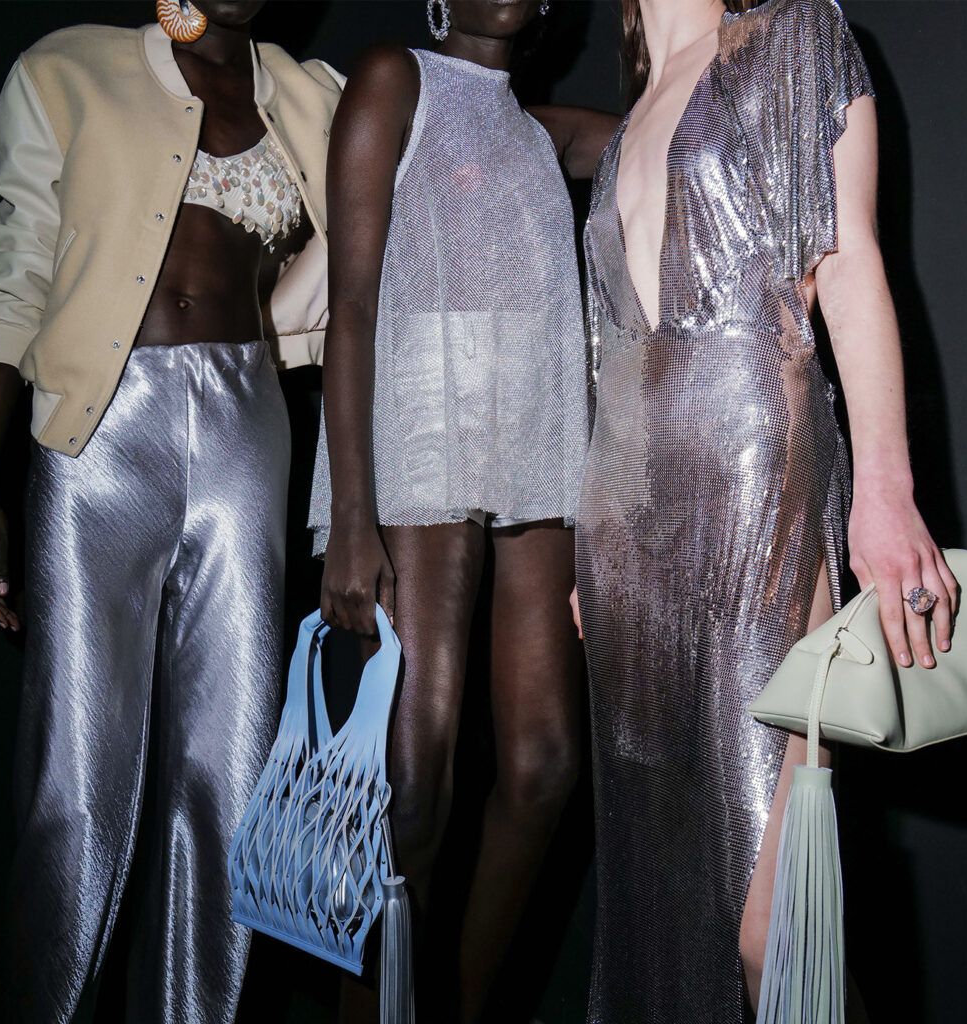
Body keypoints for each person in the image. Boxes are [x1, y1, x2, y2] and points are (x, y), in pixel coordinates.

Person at [0, 2, 342, 1020]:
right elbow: (17, 272)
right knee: (75, 780)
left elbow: (368, 253)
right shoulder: (65, 70)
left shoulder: (312, 94)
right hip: (98, 437)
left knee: (230, 771)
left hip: (247, 433)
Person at [573, 0, 958, 1019]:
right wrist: (594, 528)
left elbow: (851, 261)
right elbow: (613, 359)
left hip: (765, 492)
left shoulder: (797, 36)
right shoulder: (634, 114)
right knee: (669, 900)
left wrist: (884, 486)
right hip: (626, 542)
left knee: (778, 932)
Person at [311, 1, 614, 1019]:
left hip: (537, 436)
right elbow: (349, 303)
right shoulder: (395, 78)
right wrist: (354, 515)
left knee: (544, 763)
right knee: (411, 783)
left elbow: (676, 128)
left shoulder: (545, 130)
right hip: (421, 432)